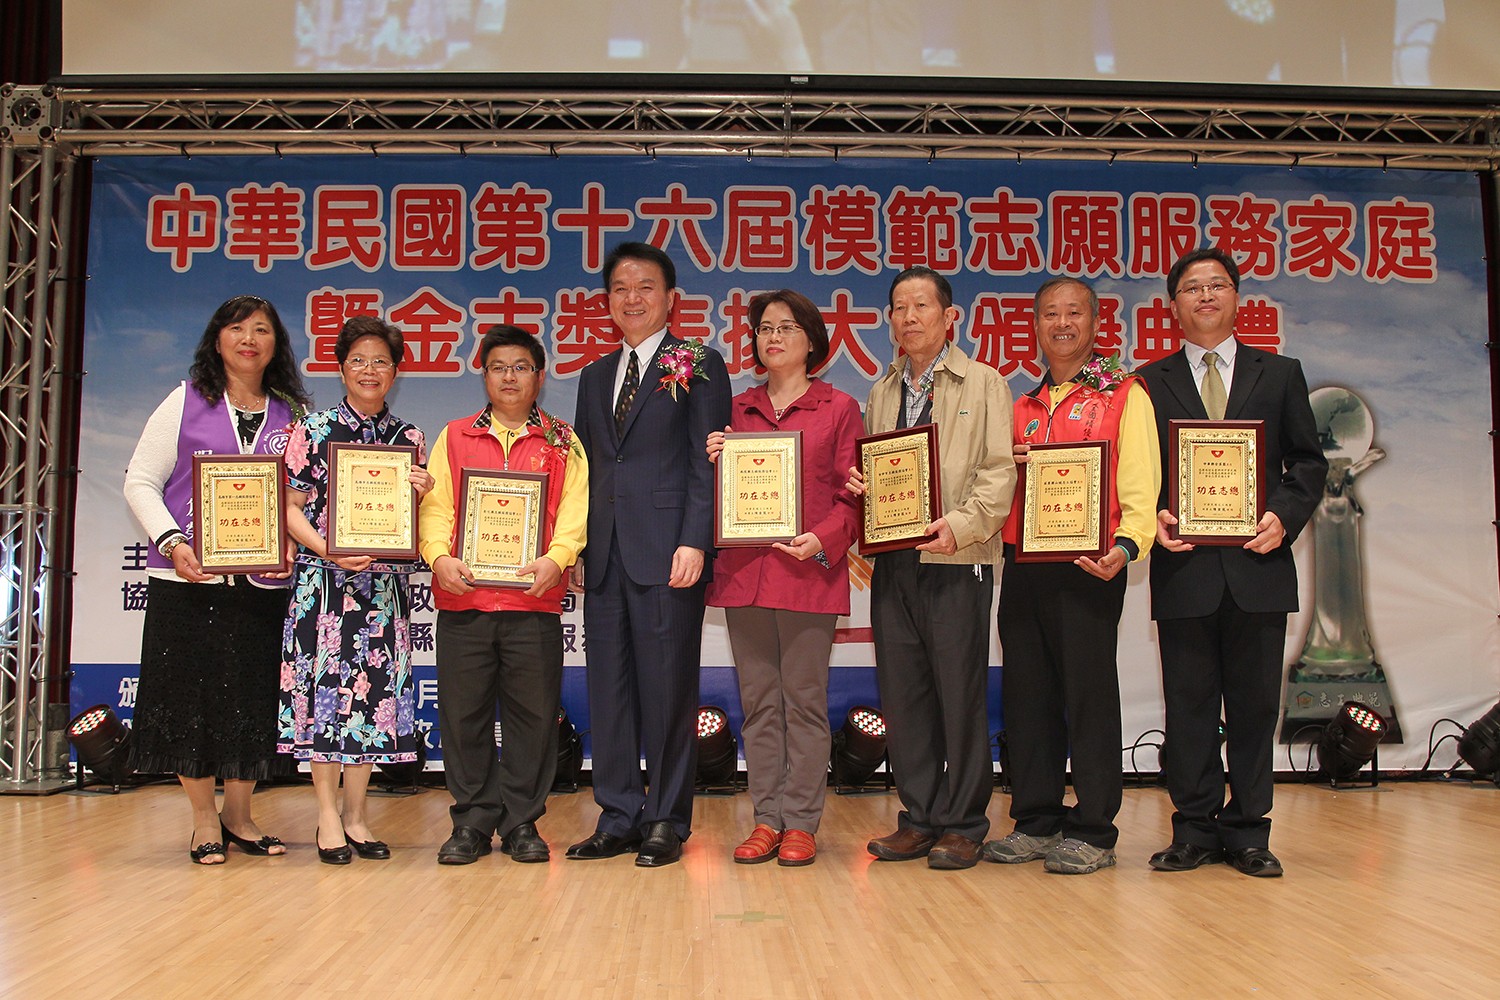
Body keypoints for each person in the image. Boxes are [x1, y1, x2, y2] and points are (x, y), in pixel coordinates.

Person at [1138, 247, 1326, 878]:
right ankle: (1192, 830)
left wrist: (1284, 517)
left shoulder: (1280, 374)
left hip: (1258, 568)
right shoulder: (1147, 382)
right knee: (1188, 710)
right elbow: (1138, 472)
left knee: (1253, 710)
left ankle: (1249, 832)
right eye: (1192, 288)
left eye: (1217, 285)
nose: (1206, 295)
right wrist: (1154, 514)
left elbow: (1308, 462)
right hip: (1185, 570)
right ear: (1173, 305)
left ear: (1237, 297)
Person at [123, 294, 312, 865]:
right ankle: (205, 819)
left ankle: (240, 815)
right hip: (188, 582)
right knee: (190, 701)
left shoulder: (293, 414)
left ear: (277, 345)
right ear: (217, 339)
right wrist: (172, 542)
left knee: (251, 701)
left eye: (262, 329)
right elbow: (140, 481)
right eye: (237, 328)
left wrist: (290, 543)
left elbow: (301, 497)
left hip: (262, 589)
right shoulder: (185, 400)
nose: (249, 339)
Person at [983, 277, 1160, 875]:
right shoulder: (1022, 407)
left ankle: (1094, 829)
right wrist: (1006, 467)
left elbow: (1142, 482)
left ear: (1095, 322)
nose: (1062, 323)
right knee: (1027, 695)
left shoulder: (1124, 393)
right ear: (1035, 326)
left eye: (1074, 313)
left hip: (1091, 565)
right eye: (1050, 314)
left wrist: (1128, 546)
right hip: (1024, 565)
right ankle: (1036, 820)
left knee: (1088, 697)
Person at [846, 265, 1016, 870]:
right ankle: (919, 818)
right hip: (895, 562)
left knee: (959, 693)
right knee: (904, 693)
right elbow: (881, 469)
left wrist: (962, 526)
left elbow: (999, 472)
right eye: (899, 307)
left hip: (957, 558)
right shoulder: (882, 390)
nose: (909, 317)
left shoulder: (985, 382)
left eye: (922, 305)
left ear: (950, 317)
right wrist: (862, 490)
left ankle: (964, 823)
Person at [567, 242, 731, 868]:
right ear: (607, 300)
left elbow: (705, 460)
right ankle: (617, 814)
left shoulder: (699, 362)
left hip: (668, 553)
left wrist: (695, 539)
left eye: (644, 287)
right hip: (604, 555)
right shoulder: (594, 375)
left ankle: (665, 818)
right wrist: (579, 546)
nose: (631, 299)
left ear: (670, 299)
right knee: (608, 691)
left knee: (666, 691)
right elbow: (586, 468)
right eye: (620, 288)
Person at [418, 325, 589, 865]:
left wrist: (557, 559)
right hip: (464, 600)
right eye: (498, 367)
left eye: (520, 367)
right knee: (462, 716)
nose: (509, 377)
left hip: (532, 603)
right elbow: (437, 508)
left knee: (532, 719)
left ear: (540, 376)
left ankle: (521, 821)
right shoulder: (454, 436)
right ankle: (471, 820)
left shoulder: (562, 440)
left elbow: (576, 512)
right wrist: (437, 557)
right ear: (484, 375)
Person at [704, 290, 862, 868]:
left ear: (812, 341)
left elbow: (854, 496)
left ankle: (801, 822)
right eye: (765, 328)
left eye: (787, 327)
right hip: (745, 575)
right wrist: (712, 459)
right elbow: (714, 497)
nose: (773, 337)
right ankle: (766, 819)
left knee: (805, 704)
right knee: (759, 705)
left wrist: (822, 539)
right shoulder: (735, 409)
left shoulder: (839, 408)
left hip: (806, 575)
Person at [277, 315, 434, 865]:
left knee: (370, 699)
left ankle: (357, 816)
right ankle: (327, 815)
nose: (370, 370)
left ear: (396, 372)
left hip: (382, 592)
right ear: (342, 369)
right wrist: (328, 549)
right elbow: (289, 509)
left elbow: (417, 523)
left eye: (381, 362)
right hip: (323, 587)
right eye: (359, 361)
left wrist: (424, 492)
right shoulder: (314, 430)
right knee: (325, 698)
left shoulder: (409, 439)